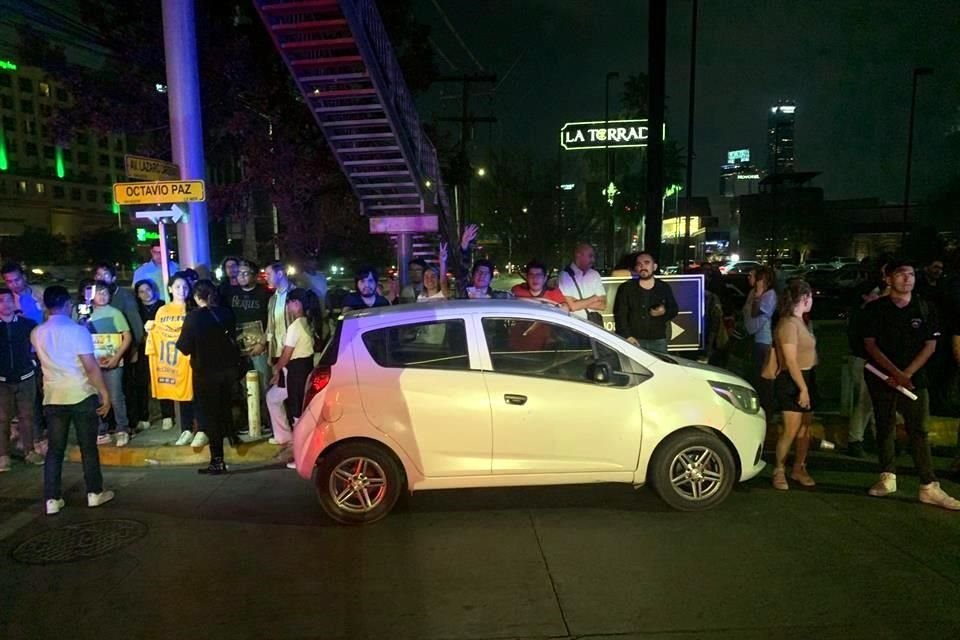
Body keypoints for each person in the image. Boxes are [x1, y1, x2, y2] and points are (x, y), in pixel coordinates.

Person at [862, 259, 960, 510]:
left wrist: (907, 373)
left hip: (915, 381)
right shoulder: (875, 309)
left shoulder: (925, 307)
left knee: (919, 430)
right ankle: (887, 476)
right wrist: (893, 372)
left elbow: (931, 345)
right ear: (888, 278)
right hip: (883, 379)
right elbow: (870, 344)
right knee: (885, 426)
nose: (907, 278)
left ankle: (929, 485)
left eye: (910, 274)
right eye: (901, 274)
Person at [31, 286, 114, 515]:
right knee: (88, 447)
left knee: (55, 449)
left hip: (53, 396)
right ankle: (94, 493)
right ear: (68, 304)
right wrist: (104, 393)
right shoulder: (78, 331)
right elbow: (90, 367)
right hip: (80, 393)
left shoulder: (37, 332)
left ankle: (51, 498)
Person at [176, 280, 241, 475]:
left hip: (206, 374)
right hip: (228, 371)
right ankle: (232, 436)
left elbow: (184, 348)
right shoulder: (226, 313)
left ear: (196, 297)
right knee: (225, 407)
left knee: (211, 416)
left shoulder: (193, 318)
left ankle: (217, 460)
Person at [770, 280, 818, 491]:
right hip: (793, 380)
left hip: (807, 376)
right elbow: (790, 361)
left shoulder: (802, 321)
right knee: (790, 429)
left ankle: (799, 467)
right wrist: (803, 388)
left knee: (804, 430)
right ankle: (779, 469)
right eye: (811, 297)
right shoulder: (788, 324)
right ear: (804, 299)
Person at [144, 272, 198, 445]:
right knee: (181, 395)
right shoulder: (162, 310)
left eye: (184, 287)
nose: (181, 290)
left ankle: (201, 429)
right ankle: (186, 429)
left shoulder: (194, 307)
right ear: (169, 289)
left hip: (193, 358)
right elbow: (157, 333)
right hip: (173, 360)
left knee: (196, 394)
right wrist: (150, 329)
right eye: (177, 287)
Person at [266, 288, 319, 454]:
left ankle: (301, 453)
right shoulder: (308, 322)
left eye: (289, 304)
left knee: (298, 414)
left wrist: (276, 369)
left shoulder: (296, 326)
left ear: (297, 304)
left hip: (296, 372)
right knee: (273, 397)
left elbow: (286, 354)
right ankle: (284, 436)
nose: (288, 308)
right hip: (300, 370)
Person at [95, 263, 146, 432]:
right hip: (97, 358)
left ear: (114, 278)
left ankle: (127, 424)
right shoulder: (89, 304)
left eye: (105, 274)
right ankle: (105, 425)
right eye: (98, 274)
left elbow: (134, 325)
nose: (101, 278)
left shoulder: (124, 296)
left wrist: (134, 348)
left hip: (123, 352)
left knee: (122, 391)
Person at [83, 282, 133, 448]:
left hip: (113, 362)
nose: (103, 296)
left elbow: (127, 336)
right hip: (92, 364)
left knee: (116, 396)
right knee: (95, 396)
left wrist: (117, 357)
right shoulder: (84, 314)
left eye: (105, 293)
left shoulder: (115, 313)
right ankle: (101, 430)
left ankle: (122, 428)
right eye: (99, 293)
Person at [0, 288, 41, 470]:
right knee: (3, 418)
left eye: (9, 300)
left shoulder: (27, 324)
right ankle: (3, 455)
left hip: (25, 376)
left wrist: (33, 364)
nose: (6, 304)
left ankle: (29, 450)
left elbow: (38, 346)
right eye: (1, 301)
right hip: (2, 380)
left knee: (27, 416)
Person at [228, 260, 271, 422]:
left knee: (264, 383)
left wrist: (263, 342)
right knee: (242, 385)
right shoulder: (231, 294)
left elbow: (271, 321)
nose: (242, 276)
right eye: (239, 273)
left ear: (254, 276)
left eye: (246, 273)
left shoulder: (264, 294)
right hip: (238, 348)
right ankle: (249, 419)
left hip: (260, 346)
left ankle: (267, 420)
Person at [613, 252, 678, 352]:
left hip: (658, 340)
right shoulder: (626, 288)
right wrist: (627, 336)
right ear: (636, 268)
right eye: (639, 264)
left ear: (654, 266)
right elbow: (620, 315)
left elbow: (674, 309)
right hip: (634, 340)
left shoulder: (663, 287)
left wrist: (664, 311)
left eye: (646, 263)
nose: (642, 266)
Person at [846, 282, 880, 457]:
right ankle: (855, 439)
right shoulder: (862, 315)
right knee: (865, 401)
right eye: (874, 293)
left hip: (867, 361)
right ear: (864, 297)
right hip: (862, 361)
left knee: (872, 402)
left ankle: (875, 438)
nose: (878, 295)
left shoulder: (867, 314)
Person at [744, 266, 778, 418]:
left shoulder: (769, 295)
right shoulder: (753, 293)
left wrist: (758, 296)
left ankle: (767, 410)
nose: (751, 278)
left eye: (755, 277)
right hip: (754, 339)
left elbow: (755, 312)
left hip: (764, 341)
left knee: (764, 378)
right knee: (755, 376)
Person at [133, 279, 163, 431]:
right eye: (141, 291)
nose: (146, 294)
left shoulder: (162, 306)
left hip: (161, 350)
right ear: (137, 295)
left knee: (164, 380)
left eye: (148, 289)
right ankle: (144, 417)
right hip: (143, 350)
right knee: (142, 383)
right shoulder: (136, 309)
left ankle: (167, 415)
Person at [558, 242, 607, 323]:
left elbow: (603, 305)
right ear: (578, 255)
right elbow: (572, 307)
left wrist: (578, 302)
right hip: (575, 327)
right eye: (590, 256)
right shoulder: (565, 276)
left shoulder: (595, 275)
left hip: (594, 326)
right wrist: (594, 298)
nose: (593, 260)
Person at [265, 262, 293, 363]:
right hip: (276, 351)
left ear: (280, 274)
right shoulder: (272, 299)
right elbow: (270, 325)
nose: (266, 278)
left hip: (294, 352)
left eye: (269, 274)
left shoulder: (296, 294)